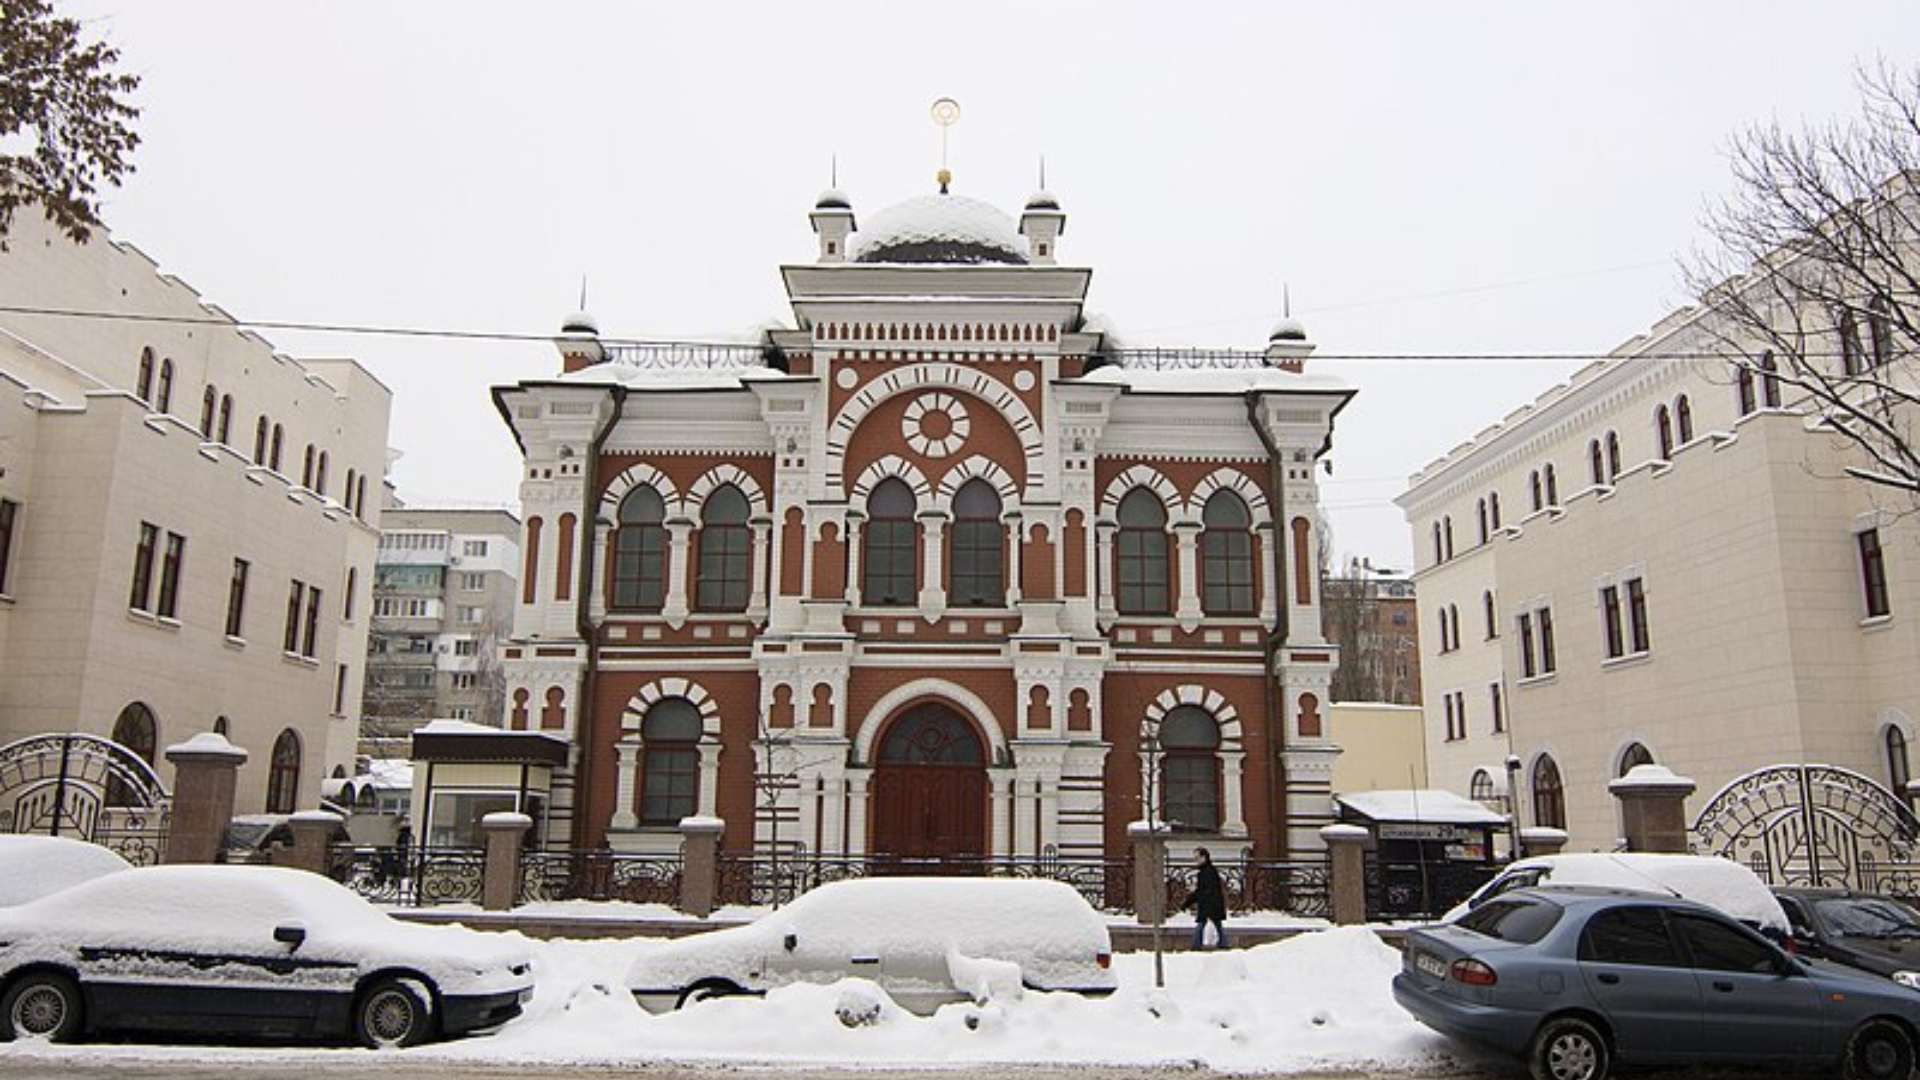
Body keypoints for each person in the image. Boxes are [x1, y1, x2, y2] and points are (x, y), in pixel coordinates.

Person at [1189, 847, 1228, 950]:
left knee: (1202, 924)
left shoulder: (1206, 872)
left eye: (1197, 858)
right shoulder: (1208, 870)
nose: (1195, 861)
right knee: (1217, 924)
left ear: (1204, 857)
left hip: (1209, 904)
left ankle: (1195, 945)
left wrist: (1190, 901)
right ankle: (1224, 944)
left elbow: (1204, 890)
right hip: (1212, 903)